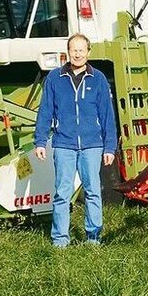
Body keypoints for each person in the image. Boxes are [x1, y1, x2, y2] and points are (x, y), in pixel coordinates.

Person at [33, 34, 118, 247]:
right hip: (64, 145)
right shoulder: (54, 78)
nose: (78, 54)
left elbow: (108, 115)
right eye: (74, 50)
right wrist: (40, 141)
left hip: (92, 145)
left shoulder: (98, 79)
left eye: (81, 50)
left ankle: (93, 237)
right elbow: (45, 111)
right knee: (62, 193)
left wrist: (109, 147)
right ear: (68, 52)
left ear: (88, 52)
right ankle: (60, 239)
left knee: (92, 192)